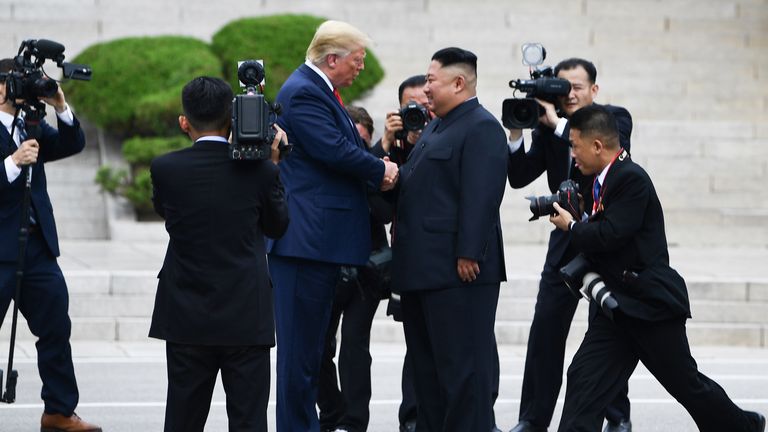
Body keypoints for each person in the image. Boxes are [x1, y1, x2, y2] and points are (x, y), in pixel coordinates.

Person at [548, 104, 766, 432]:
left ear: (597, 145)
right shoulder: (604, 180)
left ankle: (742, 427)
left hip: (649, 306)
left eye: (575, 145)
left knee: (686, 385)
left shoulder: (630, 177)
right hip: (616, 308)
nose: (573, 154)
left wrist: (573, 227)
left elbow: (610, 235)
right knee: (584, 378)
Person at [267, 20, 399, 432]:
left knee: (309, 353)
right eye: (357, 61)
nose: (361, 68)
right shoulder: (304, 91)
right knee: (299, 356)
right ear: (332, 58)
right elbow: (334, 150)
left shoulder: (318, 89)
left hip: (317, 243)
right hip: (305, 242)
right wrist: (380, 168)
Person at [148, 76, 289, 432]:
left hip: (185, 313)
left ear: (184, 122)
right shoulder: (260, 171)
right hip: (245, 314)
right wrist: (273, 164)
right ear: (233, 117)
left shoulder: (165, 168)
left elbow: (168, 212)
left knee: (182, 418)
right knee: (248, 420)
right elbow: (278, 226)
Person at [506, 58, 633, 432]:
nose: (570, 94)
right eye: (563, 87)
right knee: (545, 328)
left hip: (606, 237)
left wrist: (560, 125)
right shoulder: (548, 129)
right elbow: (518, 177)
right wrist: (516, 131)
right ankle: (532, 419)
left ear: (594, 90)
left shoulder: (614, 119)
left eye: (577, 87)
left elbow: (606, 155)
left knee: (605, 330)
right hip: (565, 237)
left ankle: (616, 416)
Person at [391, 47, 508, 431]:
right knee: (429, 378)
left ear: (459, 83)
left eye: (431, 81)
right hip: (424, 271)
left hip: (459, 273)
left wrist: (469, 252)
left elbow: (483, 194)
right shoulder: (437, 126)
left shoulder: (481, 126)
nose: (425, 89)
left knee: (464, 378)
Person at [0, 59, 101, 432]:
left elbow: (72, 143)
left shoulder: (31, 125)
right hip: (0, 250)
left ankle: (58, 411)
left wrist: (60, 105)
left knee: (56, 326)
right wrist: (11, 162)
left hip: (36, 246)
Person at [317, 105, 392, 432]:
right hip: (329, 268)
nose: (355, 149)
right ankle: (332, 411)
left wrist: (368, 169)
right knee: (318, 347)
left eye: (361, 142)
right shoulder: (326, 166)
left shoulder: (375, 168)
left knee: (354, 347)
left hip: (368, 270)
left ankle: (353, 421)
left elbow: (384, 212)